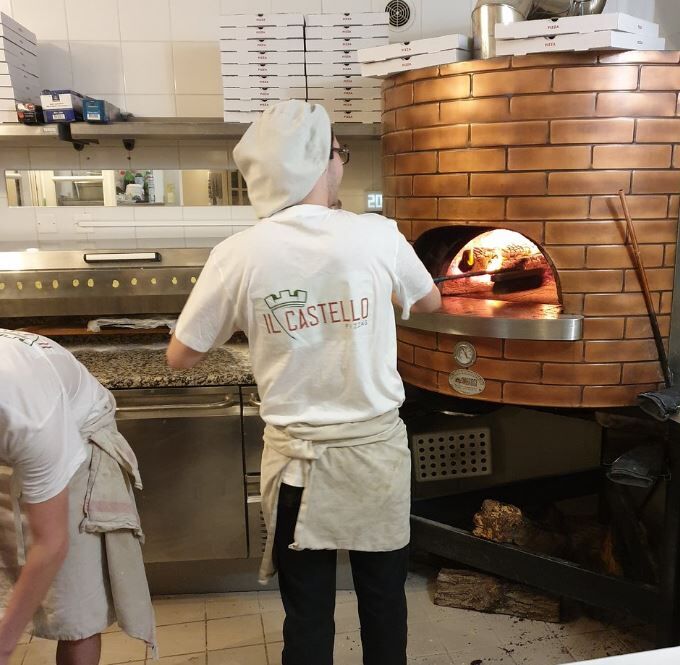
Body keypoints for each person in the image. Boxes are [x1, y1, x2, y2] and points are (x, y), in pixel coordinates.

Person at [167, 99, 440, 665]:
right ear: (320, 160)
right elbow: (430, 301)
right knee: (383, 599)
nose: (341, 162)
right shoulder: (376, 235)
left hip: (298, 464)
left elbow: (181, 356)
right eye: (339, 151)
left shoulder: (237, 254)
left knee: (308, 610)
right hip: (372, 457)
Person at [0, 329, 156, 665]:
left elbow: (51, 544)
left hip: (77, 438)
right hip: (24, 432)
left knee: (74, 607)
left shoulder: (29, 416)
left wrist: (3, 644)